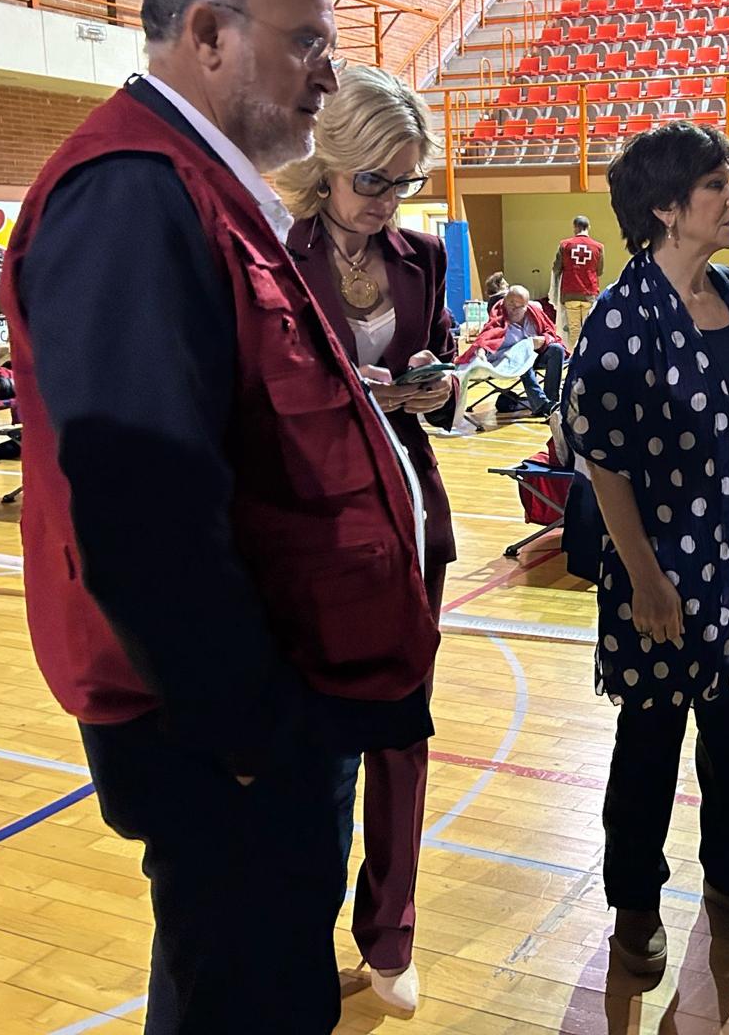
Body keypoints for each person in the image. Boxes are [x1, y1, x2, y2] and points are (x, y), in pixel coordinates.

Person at [0, 0, 441, 1034]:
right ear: (207, 36)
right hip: (227, 727)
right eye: (309, 45)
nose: (331, 76)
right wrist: (248, 733)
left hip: (270, 701)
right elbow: (139, 507)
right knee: (246, 996)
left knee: (241, 980)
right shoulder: (133, 195)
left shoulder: (203, 187)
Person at [562, 121, 729, 976]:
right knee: (652, 740)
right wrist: (647, 581)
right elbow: (606, 465)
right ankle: (634, 899)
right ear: (665, 208)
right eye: (714, 188)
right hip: (663, 568)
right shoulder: (624, 319)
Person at [272, 64, 455, 1014]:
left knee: (403, 740)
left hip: (409, 515)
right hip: (314, 526)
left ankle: (390, 936)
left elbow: (446, 363)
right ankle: (301, 940)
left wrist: (435, 385)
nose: (389, 202)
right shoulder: (276, 254)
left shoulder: (420, 257)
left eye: (405, 182)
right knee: (316, 754)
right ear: (327, 165)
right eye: (373, 181)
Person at [460, 284, 566, 416]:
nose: (512, 309)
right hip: (509, 360)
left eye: (518, 306)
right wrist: (480, 352)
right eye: (510, 303)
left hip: (537, 355)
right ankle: (541, 405)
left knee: (556, 349)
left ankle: (551, 401)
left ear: (526, 307)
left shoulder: (535, 315)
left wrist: (543, 339)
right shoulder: (499, 316)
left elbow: (550, 333)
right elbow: (486, 337)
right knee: (522, 353)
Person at [553, 214, 604, 347]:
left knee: (574, 329)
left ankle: (574, 359)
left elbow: (556, 268)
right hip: (589, 293)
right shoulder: (598, 247)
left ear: (575, 227)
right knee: (589, 328)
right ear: (588, 227)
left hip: (570, 293)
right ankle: (588, 357)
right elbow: (599, 271)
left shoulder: (565, 245)